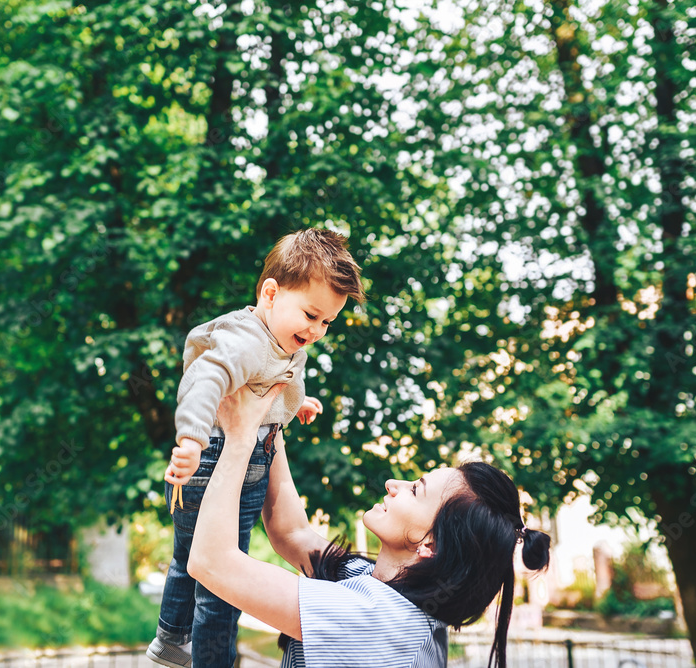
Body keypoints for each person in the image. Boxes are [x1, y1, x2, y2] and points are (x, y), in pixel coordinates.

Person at [187, 383, 551, 668]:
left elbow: (209, 562)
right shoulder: (380, 587)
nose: (394, 485)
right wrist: (273, 417)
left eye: (415, 489)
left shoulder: (379, 621)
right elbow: (290, 533)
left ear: (430, 544)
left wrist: (239, 436)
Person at [146, 229, 366, 668]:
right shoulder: (246, 338)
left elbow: (270, 378)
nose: (317, 330)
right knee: (222, 579)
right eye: (311, 315)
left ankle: (170, 640)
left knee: (193, 556)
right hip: (215, 456)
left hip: (249, 456)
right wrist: (190, 437)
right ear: (270, 293)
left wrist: (292, 403)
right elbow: (206, 378)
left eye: (327, 322)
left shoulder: (284, 337)